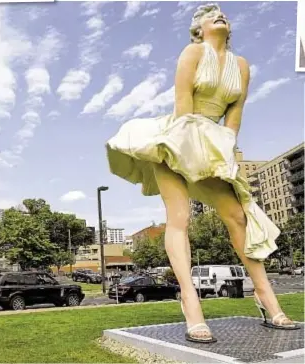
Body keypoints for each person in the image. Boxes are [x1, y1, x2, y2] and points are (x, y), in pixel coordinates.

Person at [105, 3, 298, 343]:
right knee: (179, 217)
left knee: (238, 215)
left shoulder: (241, 66)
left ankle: (265, 297)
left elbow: (233, 120)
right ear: (199, 29)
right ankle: (191, 304)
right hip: (176, 138)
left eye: (222, 13)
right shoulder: (193, 53)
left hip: (213, 142)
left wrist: (226, 160)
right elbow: (182, 106)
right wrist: (186, 154)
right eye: (210, 15)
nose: (219, 15)